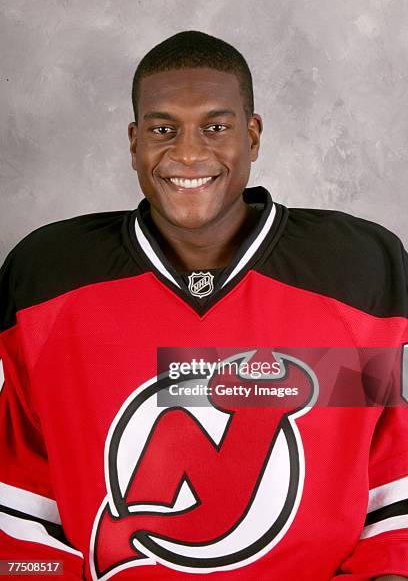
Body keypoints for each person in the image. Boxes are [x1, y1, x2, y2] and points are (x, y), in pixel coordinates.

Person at [0, 30, 407, 580]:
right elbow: (21, 493)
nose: (189, 153)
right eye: (163, 129)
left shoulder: (354, 269)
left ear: (253, 135)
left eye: (216, 127)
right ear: (133, 141)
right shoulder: (48, 277)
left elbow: (392, 475)